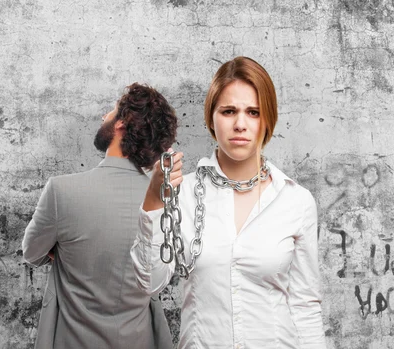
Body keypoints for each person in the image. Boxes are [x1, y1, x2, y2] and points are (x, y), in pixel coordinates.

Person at [131, 57, 326, 348]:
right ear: (211, 118)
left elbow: (305, 305)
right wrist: (153, 199)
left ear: (267, 119)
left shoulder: (295, 201)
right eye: (229, 111)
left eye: (253, 112)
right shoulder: (183, 195)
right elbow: (150, 283)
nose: (240, 124)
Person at [23, 83, 178, 349]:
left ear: (122, 124)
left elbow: (31, 253)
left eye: (112, 110)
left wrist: (64, 250)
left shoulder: (62, 190)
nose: (104, 116)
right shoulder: (166, 202)